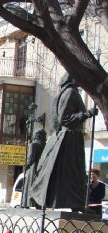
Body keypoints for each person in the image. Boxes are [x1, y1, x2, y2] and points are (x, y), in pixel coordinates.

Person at [30, 73, 98, 210]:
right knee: (72, 174)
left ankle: (76, 204)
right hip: (70, 138)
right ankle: (75, 204)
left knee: (70, 175)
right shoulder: (70, 92)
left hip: (68, 138)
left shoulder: (66, 92)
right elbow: (65, 118)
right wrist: (87, 114)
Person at [21, 129, 46, 208]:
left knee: (29, 186)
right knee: (39, 187)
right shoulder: (45, 146)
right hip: (42, 169)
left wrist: (25, 167)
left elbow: (30, 159)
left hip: (33, 169)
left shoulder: (33, 145)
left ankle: (26, 204)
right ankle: (38, 205)